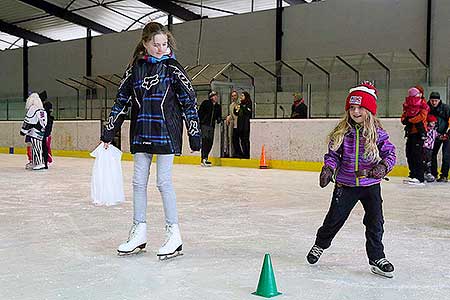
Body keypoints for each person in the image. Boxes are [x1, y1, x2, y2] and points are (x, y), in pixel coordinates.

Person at [100, 22, 201, 258]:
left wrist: (194, 134)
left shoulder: (173, 68)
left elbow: (189, 101)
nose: (160, 48)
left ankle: (173, 234)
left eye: (164, 44)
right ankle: (139, 232)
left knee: (163, 182)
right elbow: (121, 101)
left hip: (166, 132)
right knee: (137, 182)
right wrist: (109, 131)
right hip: (141, 131)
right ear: (145, 43)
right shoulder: (135, 69)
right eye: (155, 44)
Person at [306, 82, 396, 278]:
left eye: (360, 107)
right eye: (352, 108)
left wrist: (383, 167)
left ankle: (377, 258)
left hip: (370, 185)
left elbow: (390, 154)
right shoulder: (342, 132)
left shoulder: (377, 133)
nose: (355, 112)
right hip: (345, 185)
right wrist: (328, 169)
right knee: (334, 220)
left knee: (375, 222)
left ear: (369, 110)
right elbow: (333, 155)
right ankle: (320, 244)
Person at [401, 87, 428, 185]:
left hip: (419, 132)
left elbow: (422, 117)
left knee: (418, 154)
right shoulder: (408, 106)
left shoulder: (423, 105)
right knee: (409, 153)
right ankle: (412, 174)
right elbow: (404, 116)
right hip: (410, 133)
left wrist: (410, 120)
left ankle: (419, 177)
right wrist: (406, 119)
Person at [20, 93, 47, 170]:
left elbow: (28, 121)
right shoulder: (42, 109)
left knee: (36, 148)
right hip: (41, 131)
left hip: (35, 131)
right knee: (37, 147)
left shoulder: (33, 109)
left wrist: (23, 131)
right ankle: (36, 162)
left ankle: (39, 163)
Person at [427, 91, 450, 182]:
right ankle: (433, 174)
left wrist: (448, 132)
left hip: (446, 135)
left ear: (439, 100)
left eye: (436, 101)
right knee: (432, 154)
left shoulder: (446, 108)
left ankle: (444, 175)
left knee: (446, 155)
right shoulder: (427, 108)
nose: (434, 103)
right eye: (432, 100)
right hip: (434, 135)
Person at [198, 90, 222, 166]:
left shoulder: (218, 106)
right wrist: (201, 122)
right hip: (205, 125)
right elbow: (200, 113)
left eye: (216, 96)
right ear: (211, 97)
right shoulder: (205, 103)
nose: (216, 97)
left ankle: (206, 157)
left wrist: (219, 119)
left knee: (210, 142)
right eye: (214, 96)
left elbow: (219, 116)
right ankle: (203, 158)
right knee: (205, 141)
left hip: (212, 126)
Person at [234, 91, 252, 158]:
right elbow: (236, 113)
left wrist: (242, 106)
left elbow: (248, 112)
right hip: (240, 125)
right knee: (242, 140)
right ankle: (244, 153)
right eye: (241, 96)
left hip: (246, 125)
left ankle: (247, 153)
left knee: (246, 140)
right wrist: (236, 109)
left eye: (242, 96)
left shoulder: (248, 103)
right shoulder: (240, 104)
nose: (241, 97)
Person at [225, 90, 242, 158]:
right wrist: (229, 117)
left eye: (235, 95)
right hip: (234, 125)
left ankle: (242, 153)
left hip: (240, 124)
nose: (233, 97)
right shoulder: (231, 105)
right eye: (232, 96)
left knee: (241, 140)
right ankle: (237, 152)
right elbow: (232, 115)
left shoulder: (240, 104)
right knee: (234, 140)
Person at [423, 114, 438, 182]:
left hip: (430, 149)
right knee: (425, 161)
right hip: (425, 147)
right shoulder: (426, 130)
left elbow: (437, 135)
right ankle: (425, 173)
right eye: (432, 122)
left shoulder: (434, 131)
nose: (433, 124)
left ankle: (428, 173)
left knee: (429, 161)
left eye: (434, 123)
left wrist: (444, 136)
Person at [42, 101, 54, 169]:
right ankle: (46, 160)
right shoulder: (49, 117)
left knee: (46, 148)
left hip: (46, 135)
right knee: (46, 147)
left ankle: (47, 160)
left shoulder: (48, 117)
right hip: (47, 135)